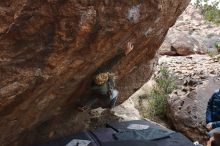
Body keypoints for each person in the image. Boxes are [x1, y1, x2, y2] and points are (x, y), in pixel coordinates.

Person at [78, 42, 134, 111]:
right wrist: (125, 53)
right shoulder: (109, 81)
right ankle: (111, 107)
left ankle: (85, 106)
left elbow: (111, 63)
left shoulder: (98, 74)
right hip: (105, 98)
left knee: (96, 95)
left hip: (95, 89)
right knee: (116, 92)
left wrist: (124, 53)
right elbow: (112, 62)